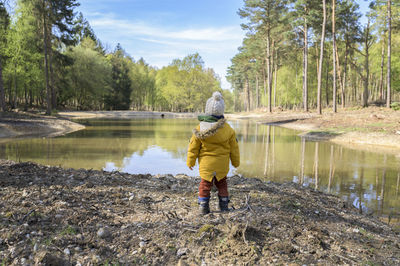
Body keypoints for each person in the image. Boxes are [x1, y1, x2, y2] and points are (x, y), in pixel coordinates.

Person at [187, 91, 240, 215]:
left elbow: (193, 147)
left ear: (207, 110)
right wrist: (236, 162)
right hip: (222, 164)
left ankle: (203, 207)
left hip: (207, 165)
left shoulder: (200, 128)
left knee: (205, 185)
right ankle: (224, 206)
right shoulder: (228, 129)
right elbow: (234, 148)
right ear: (222, 111)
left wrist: (190, 161)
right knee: (222, 185)